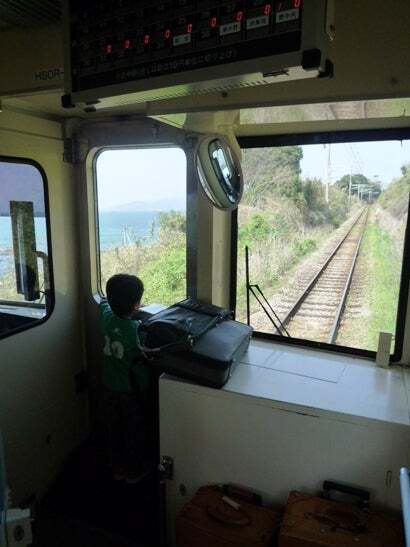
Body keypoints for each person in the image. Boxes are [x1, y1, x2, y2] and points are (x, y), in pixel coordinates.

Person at [100, 273, 151, 484]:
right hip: (132, 391)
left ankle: (117, 468)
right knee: (133, 432)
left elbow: (103, 303)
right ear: (136, 305)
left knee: (114, 429)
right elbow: (147, 354)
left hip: (109, 386)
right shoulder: (135, 330)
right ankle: (134, 471)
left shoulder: (106, 316)